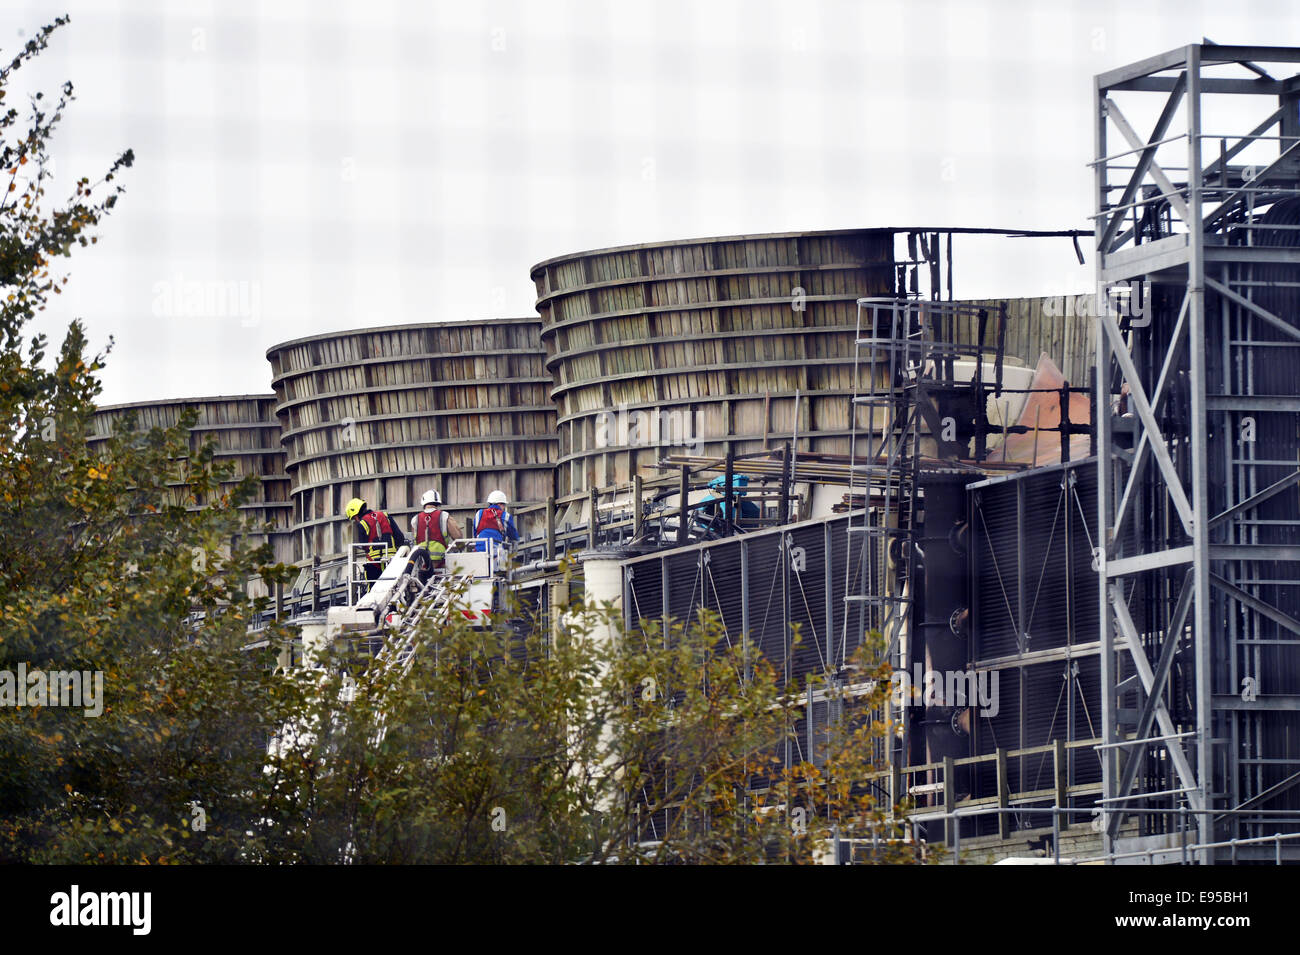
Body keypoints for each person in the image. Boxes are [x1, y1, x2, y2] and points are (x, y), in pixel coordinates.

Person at [345, 497, 406, 581]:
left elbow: (364, 545)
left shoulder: (362, 523)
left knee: (372, 588)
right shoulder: (385, 515)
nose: (356, 520)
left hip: (374, 563)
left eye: (354, 518)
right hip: (392, 560)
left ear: (357, 513)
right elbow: (400, 538)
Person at [409, 489, 463, 582]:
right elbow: (458, 538)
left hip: (421, 565)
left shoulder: (415, 519)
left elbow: (414, 540)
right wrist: (461, 550)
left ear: (424, 503)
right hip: (442, 564)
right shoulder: (444, 516)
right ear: (438, 503)